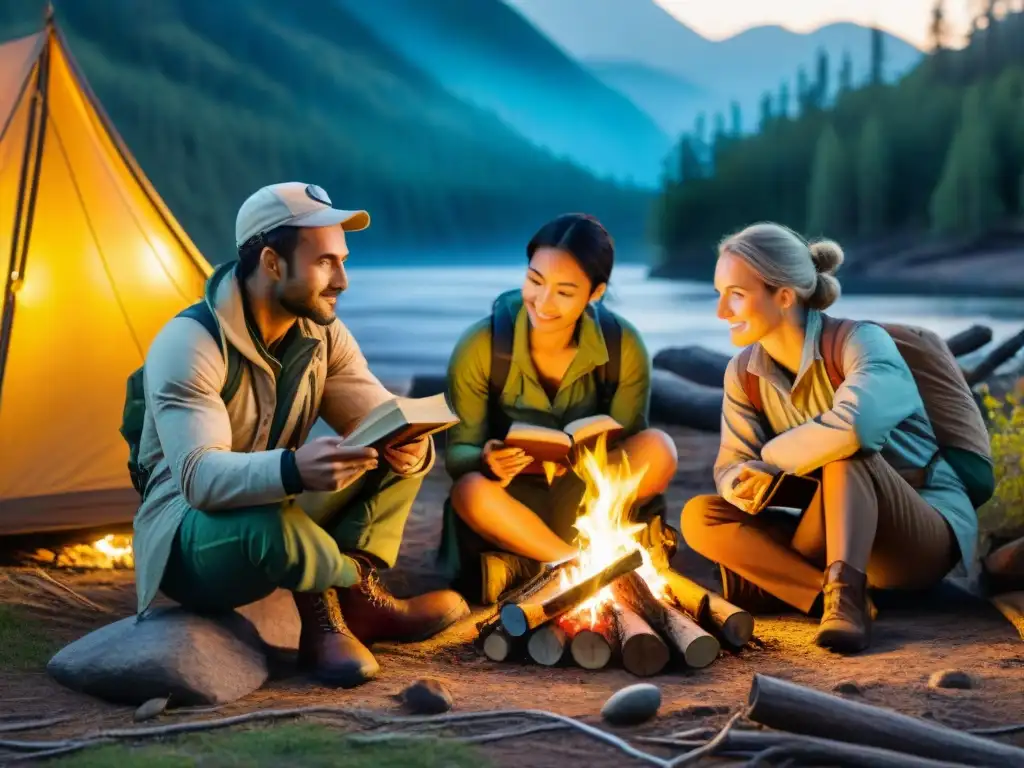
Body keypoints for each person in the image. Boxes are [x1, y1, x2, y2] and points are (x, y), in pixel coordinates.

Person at [132, 182, 469, 688]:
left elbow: (379, 416)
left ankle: (359, 611)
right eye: (326, 263)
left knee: (385, 453)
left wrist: (411, 446)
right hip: (192, 538)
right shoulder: (191, 343)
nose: (343, 281)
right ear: (272, 263)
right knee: (270, 510)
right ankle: (330, 606)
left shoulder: (322, 333)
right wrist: (292, 469)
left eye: (343, 261)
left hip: (276, 503)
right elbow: (198, 480)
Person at [681, 222, 979, 653]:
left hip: (917, 532)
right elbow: (730, 466)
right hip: (830, 526)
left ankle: (838, 603)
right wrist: (745, 482)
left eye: (736, 295)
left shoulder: (861, 342)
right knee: (700, 517)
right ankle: (828, 594)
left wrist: (771, 458)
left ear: (784, 296)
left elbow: (856, 427)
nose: (721, 311)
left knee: (846, 454)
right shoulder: (742, 374)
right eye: (719, 293)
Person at [437, 213, 680, 604]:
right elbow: (458, 452)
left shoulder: (622, 345)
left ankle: (531, 567)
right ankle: (574, 565)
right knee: (469, 490)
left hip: (586, 490)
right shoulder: (482, 344)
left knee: (659, 447)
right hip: (511, 500)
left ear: (595, 293)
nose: (543, 302)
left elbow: (631, 442)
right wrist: (485, 458)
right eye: (535, 280)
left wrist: (584, 454)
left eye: (565, 292)